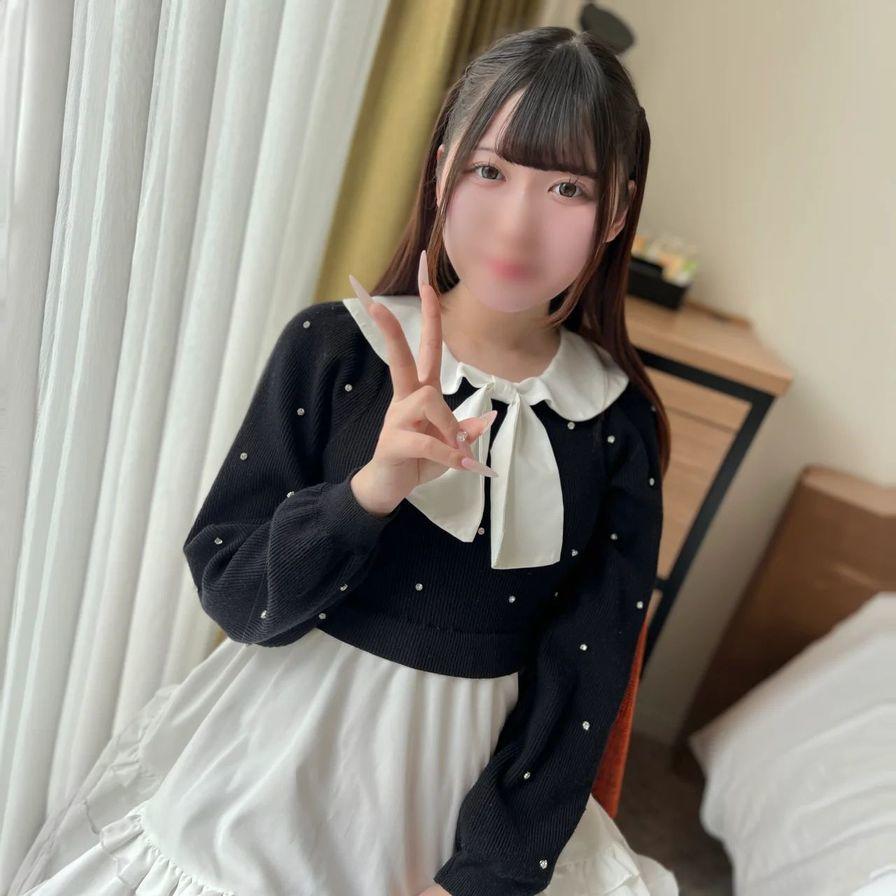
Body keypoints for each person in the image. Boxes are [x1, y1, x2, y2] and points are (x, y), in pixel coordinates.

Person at [10, 25, 679, 896]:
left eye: (566, 188)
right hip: (260, 774)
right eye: (490, 171)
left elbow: (585, 676)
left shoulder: (615, 425)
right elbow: (236, 596)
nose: (520, 220)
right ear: (440, 172)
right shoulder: (335, 349)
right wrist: (369, 492)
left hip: (452, 811)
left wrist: (485, 876)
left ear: (617, 212)